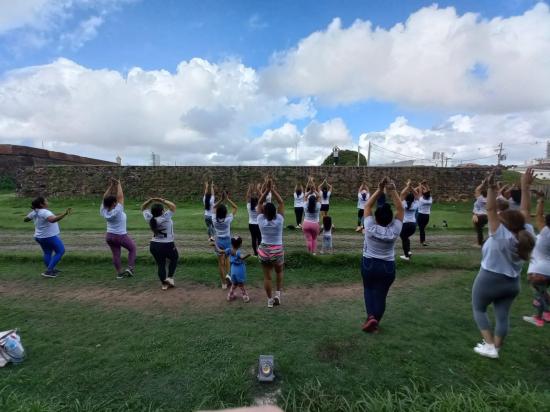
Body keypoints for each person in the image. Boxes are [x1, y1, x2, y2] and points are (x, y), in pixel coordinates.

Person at [471, 169, 536, 359]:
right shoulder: (528, 232)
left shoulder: (501, 235)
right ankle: (496, 348)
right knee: (502, 315)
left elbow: (490, 209)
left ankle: (490, 346)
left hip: (490, 277)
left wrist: (491, 188)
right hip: (513, 282)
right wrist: (525, 187)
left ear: (504, 224)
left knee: (479, 308)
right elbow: (524, 211)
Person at [360, 177, 404, 333]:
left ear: (375, 217)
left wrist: (379, 190)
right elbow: (400, 209)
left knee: (368, 289)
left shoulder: (370, 226)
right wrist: (392, 191)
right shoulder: (395, 229)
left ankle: (371, 317)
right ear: (391, 219)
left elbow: (367, 206)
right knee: (381, 295)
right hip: (387, 266)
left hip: (369, 263)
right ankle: (374, 321)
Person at [24, 197, 71, 278]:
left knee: (47, 253)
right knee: (60, 251)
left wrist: (33, 214)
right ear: (42, 204)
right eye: (46, 201)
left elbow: (25, 219)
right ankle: (49, 271)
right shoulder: (45, 212)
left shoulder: (35, 212)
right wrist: (65, 214)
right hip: (49, 236)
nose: (47, 202)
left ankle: (51, 269)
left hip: (39, 237)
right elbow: (52, 220)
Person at [522, 190, 550, 327]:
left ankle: (542, 316)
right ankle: (543, 316)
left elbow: (538, 215)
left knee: (539, 297)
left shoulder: (546, 233)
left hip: (539, 271)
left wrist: (540, 199)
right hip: (548, 271)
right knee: (543, 293)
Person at [256, 179, 285, 308]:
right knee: (278, 272)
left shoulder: (260, 219)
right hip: (277, 250)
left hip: (264, 250)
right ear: (275, 212)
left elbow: (259, 202)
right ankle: (278, 295)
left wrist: (267, 190)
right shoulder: (279, 219)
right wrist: (272, 189)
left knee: (267, 277)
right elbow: (281, 202)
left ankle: (269, 301)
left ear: (264, 212)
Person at [100, 178, 136, 279]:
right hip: (120, 236)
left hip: (109, 236)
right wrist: (119, 184)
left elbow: (104, 197)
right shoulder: (117, 211)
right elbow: (120, 197)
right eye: (116, 202)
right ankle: (130, 268)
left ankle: (119, 273)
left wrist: (111, 186)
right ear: (114, 203)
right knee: (132, 249)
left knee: (116, 254)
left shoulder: (104, 210)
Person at [141, 197, 179, 290]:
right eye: (164, 209)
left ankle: (164, 284)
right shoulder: (165, 217)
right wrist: (161, 200)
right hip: (167, 244)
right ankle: (169, 278)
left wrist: (150, 201)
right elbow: (173, 207)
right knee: (174, 258)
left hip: (154, 245)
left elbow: (143, 208)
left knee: (161, 264)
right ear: (162, 211)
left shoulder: (150, 218)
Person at [213, 191, 238, 289]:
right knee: (227, 259)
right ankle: (229, 278)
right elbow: (235, 207)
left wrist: (221, 200)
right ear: (225, 213)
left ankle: (223, 283)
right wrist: (227, 199)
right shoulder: (228, 219)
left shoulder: (214, 219)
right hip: (227, 241)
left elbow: (214, 207)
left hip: (218, 241)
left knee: (220, 262)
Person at [222, 236, 251, 302]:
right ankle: (245, 297)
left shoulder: (229, 250)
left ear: (231, 244)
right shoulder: (238, 252)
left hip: (233, 269)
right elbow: (242, 258)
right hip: (239, 270)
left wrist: (215, 245)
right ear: (240, 244)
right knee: (241, 284)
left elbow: (220, 251)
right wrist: (248, 255)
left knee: (234, 284)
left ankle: (230, 296)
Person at [399, 180, 419, 261]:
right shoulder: (415, 204)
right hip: (413, 225)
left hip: (405, 225)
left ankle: (406, 256)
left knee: (404, 238)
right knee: (406, 237)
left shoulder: (404, 204)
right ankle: (409, 251)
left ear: (406, 198)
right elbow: (416, 194)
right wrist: (411, 187)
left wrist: (408, 186)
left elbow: (402, 194)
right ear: (413, 199)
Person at [302, 190, 321, 254]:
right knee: (314, 239)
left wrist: (310, 192)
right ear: (315, 200)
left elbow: (305, 197)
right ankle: (314, 253)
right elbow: (319, 196)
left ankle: (309, 252)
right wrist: (315, 191)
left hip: (306, 224)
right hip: (315, 224)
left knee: (309, 239)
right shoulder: (318, 206)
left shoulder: (305, 206)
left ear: (308, 200)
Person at [246, 184, 262, 256]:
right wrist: (258, 189)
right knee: (259, 238)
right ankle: (259, 252)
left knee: (253, 238)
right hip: (258, 224)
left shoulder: (249, 206)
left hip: (251, 224)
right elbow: (262, 197)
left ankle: (255, 253)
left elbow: (247, 197)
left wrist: (249, 189)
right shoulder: (259, 207)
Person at [472, 179, 489, 246]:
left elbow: (477, 189)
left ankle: (480, 243)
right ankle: (483, 242)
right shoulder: (489, 199)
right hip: (487, 216)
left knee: (479, 230)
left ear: (481, 194)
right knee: (482, 230)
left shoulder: (480, 198)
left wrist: (483, 183)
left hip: (480, 216)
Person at [416, 180, 432, 246]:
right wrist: (426, 184)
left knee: (421, 229)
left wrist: (420, 184)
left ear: (423, 195)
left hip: (420, 215)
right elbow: (428, 191)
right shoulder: (430, 199)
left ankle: (423, 241)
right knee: (422, 229)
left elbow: (420, 191)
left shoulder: (421, 199)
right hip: (427, 216)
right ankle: (422, 241)